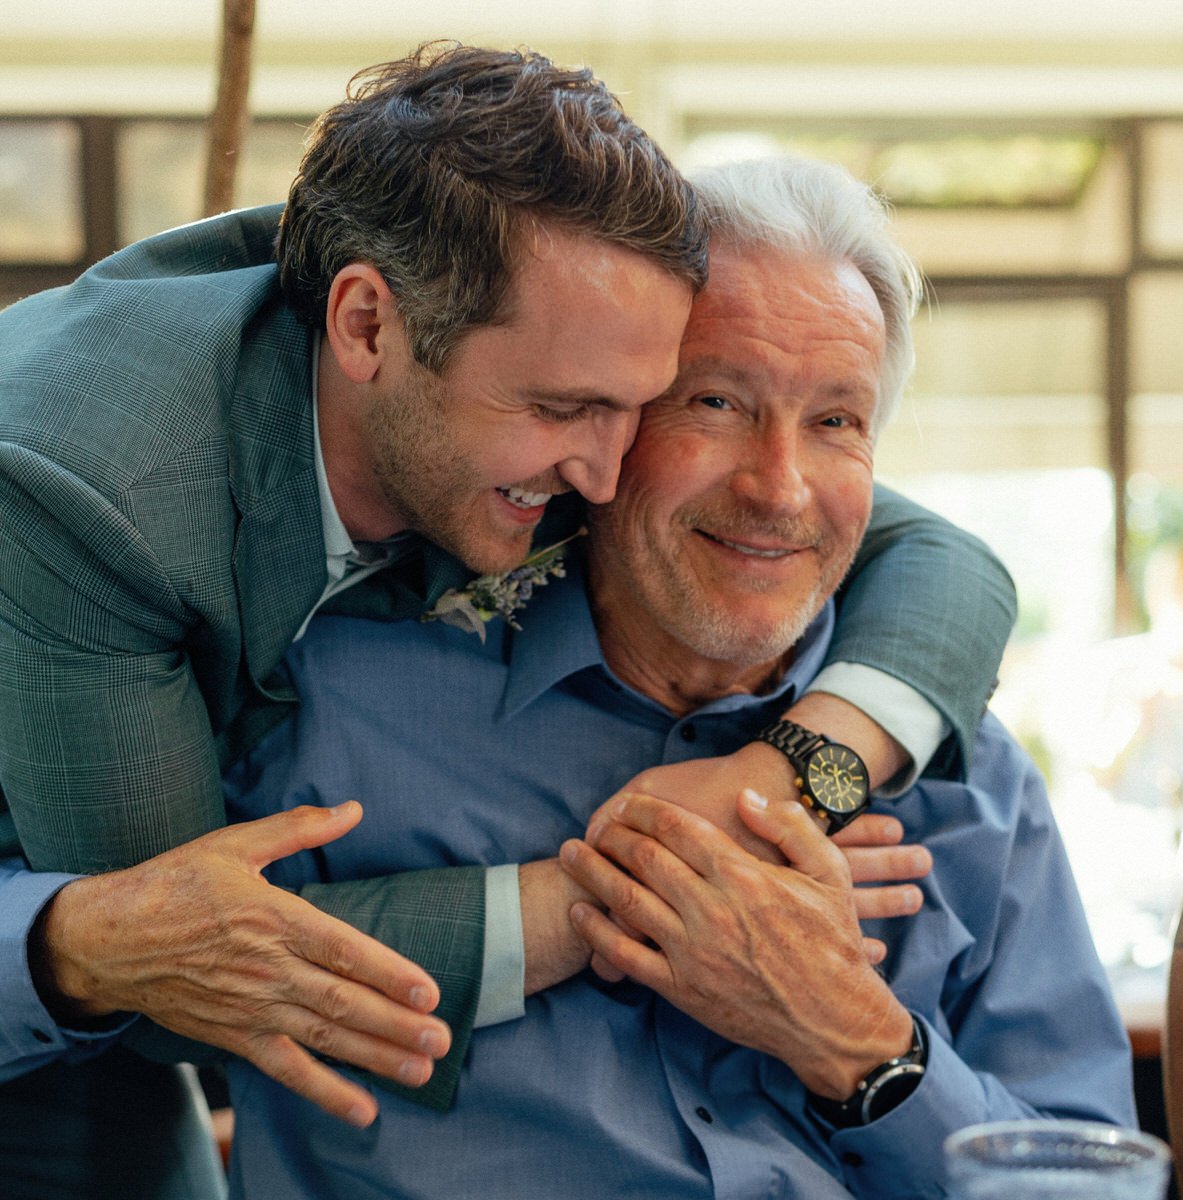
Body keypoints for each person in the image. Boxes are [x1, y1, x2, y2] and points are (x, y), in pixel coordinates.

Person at [0, 39, 1013, 1196]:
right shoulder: (90, 491)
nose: (604, 473)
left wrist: (796, 774)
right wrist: (632, 896)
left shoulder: (508, 393)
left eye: (645, 409)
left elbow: (936, 554)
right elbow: (194, 970)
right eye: (564, 410)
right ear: (367, 328)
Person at [219, 154, 1133, 1199]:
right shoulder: (330, 699)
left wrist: (855, 1039)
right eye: (715, 402)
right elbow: (98, 967)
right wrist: (593, 907)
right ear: (599, 423)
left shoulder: (967, 785)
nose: (779, 489)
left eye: (837, 421)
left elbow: (1090, 1179)